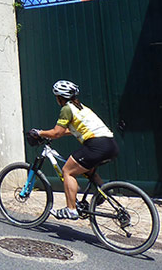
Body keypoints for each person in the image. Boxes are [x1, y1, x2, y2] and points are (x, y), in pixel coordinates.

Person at [31, 80, 119, 220]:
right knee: (88, 170)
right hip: (110, 144)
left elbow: (56, 133)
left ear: (60, 97)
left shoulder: (67, 109)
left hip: (96, 145)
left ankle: (71, 210)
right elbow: (71, 131)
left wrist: (40, 133)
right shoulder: (81, 108)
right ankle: (104, 193)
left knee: (68, 171)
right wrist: (53, 134)